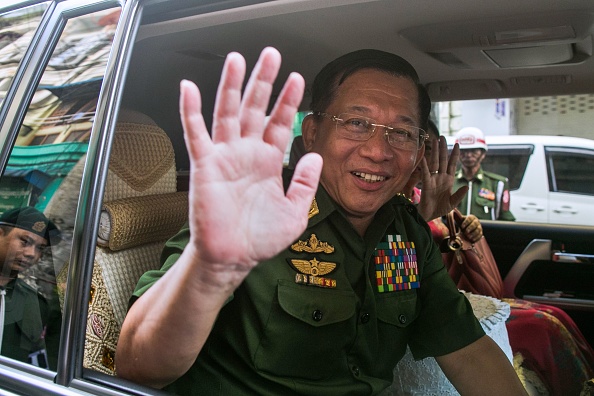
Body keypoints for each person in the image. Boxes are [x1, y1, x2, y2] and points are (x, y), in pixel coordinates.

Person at [116, 47, 527, 395]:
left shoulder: (408, 232)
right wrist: (211, 270)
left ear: (419, 149)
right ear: (312, 133)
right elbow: (137, 365)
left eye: (401, 133)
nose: (378, 151)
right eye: (357, 124)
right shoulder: (251, 214)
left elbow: (469, 352)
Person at [0, 206, 62, 370]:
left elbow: (35, 364)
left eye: (39, 248)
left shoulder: (33, 304)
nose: (31, 254)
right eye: (25, 241)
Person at [452, 127, 515, 221]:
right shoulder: (448, 182)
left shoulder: (498, 183)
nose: (468, 155)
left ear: (483, 154)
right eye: (463, 151)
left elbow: (506, 219)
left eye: (474, 151)